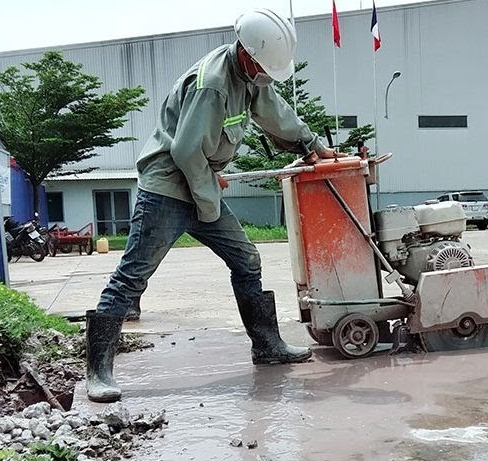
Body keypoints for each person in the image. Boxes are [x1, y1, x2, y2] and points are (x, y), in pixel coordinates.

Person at [86, 8, 345, 403]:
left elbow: (275, 114)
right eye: (264, 68)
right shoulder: (214, 84)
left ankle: (267, 346)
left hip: (200, 182)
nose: (267, 76)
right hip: (168, 191)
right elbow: (186, 151)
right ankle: (98, 372)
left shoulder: (251, 76)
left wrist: (312, 145)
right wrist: (208, 195)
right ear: (246, 53)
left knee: (247, 260)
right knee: (132, 277)